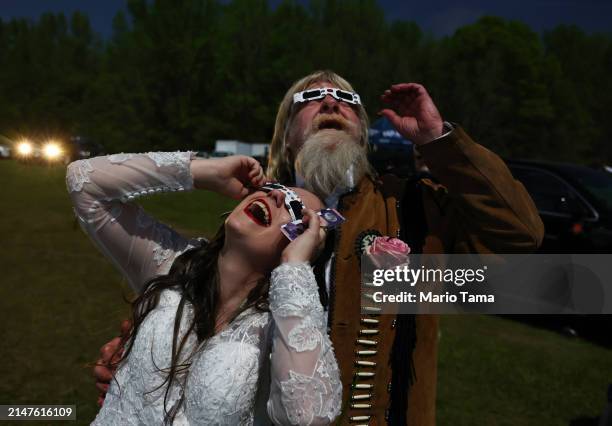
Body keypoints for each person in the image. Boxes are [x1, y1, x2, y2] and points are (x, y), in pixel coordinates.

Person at [94, 70, 545, 425]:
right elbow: (198, 306)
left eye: (347, 100)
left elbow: (520, 235)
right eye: (308, 100)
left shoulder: (411, 208)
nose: (330, 103)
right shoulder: (259, 215)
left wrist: (439, 142)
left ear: (363, 131)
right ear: (286, 135)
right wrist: (144, 362)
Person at [66, 153, 342, 425]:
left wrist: (294, 266)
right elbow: (84, 181)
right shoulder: (171, 264)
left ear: (302, 241)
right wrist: (202, 173)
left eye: (294, 207)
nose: (276, 196)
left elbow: (308, 416)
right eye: (274, 188)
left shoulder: (279, 328)